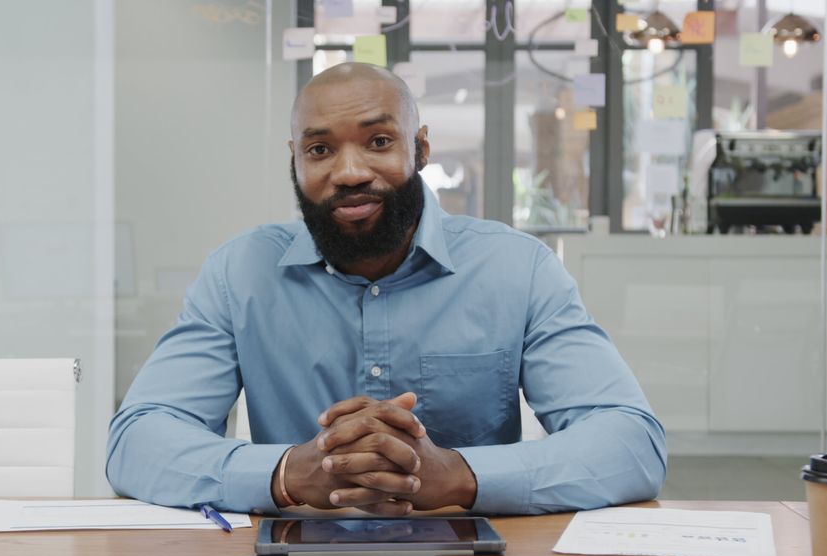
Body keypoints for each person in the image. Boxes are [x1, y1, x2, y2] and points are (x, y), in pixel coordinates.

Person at [106, 63, 666, 516]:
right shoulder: (239, 274)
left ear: (420, 150)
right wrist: (286, 474)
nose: (349, 171)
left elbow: (631, 441)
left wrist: (460, 476)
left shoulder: (518, 269)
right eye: (320, 150)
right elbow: (137, 440)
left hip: (471, 552)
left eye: (378, 141)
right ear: (295, 162)